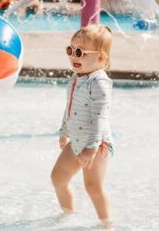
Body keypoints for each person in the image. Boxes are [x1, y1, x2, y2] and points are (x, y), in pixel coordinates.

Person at [51, 24, 114, 228]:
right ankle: (68, 217)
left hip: (96, 145)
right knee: (58, 178)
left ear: (101, 58)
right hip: (78, 140)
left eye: (80, 52)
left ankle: (107, 224)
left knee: (93, 187)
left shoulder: (99, 83)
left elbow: (100, 117)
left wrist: (91, 147)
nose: (73, 56)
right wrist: (64, 132)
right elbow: (69, 107)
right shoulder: (76, 77)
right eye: (70, 50)